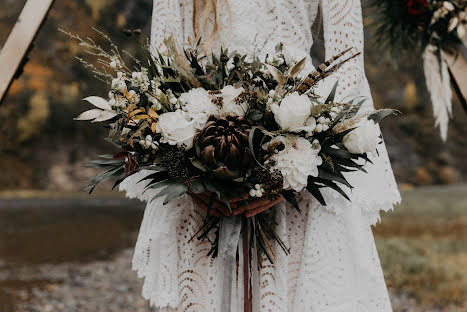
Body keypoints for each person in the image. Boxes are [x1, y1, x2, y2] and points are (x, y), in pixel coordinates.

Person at [120, 0, 401, 311]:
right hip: (202, 142)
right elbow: (164, 58)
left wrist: (298, 153)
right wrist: (192, 166)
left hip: (299, 143)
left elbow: (348, 60)